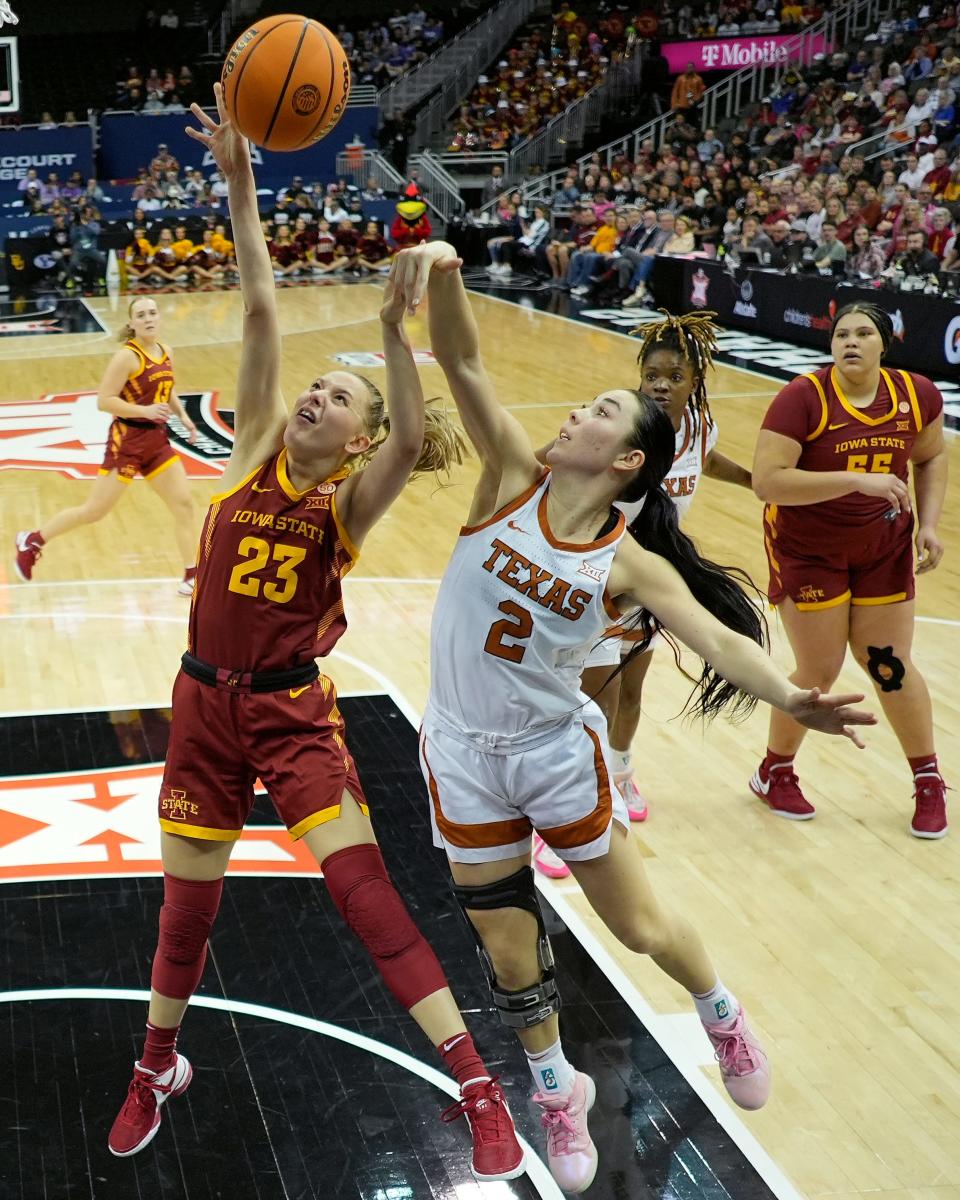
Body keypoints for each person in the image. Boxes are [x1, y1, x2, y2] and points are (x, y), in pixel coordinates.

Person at [103, 87, 524, 1185]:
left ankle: (476, 1079)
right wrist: (241, 180)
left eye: (338, 399)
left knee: (366, 893)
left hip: (291, 714)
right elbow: (257, 313)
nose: (314, 399)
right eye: (318, 389)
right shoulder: (246, 457)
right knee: (184, 910)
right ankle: (156, 1064)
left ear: (362, 437)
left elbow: (410, 430)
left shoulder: (348, 503)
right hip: (202, 705)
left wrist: (389, 335)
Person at [402, 240, 874, 1192]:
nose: (577, 409)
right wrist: (448, 280)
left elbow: (715, 637)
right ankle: (552, 1084)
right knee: (503, 940)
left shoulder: (630, 561)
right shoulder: (509, 476)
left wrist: (789, 695)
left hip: (548, 754)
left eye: (601, 411)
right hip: (457, 747)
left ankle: (719, 1007)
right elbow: (461, 360)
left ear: (624, 461)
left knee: (640, 929)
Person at [536, 313, 753, 875]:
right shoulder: (621, 424)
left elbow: (707, 460)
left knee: (631, 689)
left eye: (673, 375)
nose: (660, 384)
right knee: (591, 697)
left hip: (651, 580)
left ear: (695, 379)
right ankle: (575, 805)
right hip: (598, 578)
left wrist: (756, 480)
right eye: (652, 373)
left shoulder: (700, 425)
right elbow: (547, 458)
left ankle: (621, 771)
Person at [751, 302, 948, 836]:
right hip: (806, 546)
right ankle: (776, 770)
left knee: (889, 663)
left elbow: (930, 457)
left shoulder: (916, 394)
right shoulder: (803, 397)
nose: (851, 342)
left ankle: (928, 779)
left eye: (864, 334)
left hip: (881, 545)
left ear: (886, 344)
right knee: (819, 672)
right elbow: (768, 482)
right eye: (841, 334)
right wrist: (854, 480)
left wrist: (928, 525)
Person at [14, 297, 200, 595]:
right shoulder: (127, 357)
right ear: (132, 324)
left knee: (184, 504)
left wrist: (185, 417)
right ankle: (33, 539)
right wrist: (145, 411)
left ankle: (191, 574)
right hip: (126, 441)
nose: (149, 318)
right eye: (141, 315)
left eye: (152, 313)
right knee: (95, 511)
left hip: (156, 441)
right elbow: (104, 401)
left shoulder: (166, 351)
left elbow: (167, 387)